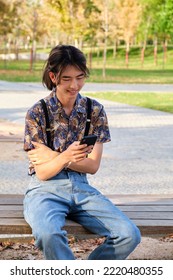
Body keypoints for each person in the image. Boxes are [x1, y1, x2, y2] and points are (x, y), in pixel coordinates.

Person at [23, 44, 141, 260]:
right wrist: (68, 156)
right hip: (45, 191)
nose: (75, 85)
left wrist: (56, 156)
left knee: (129, 234)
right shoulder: (37, 113)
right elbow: (43, 173)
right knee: (48, 234)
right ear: (53, 76)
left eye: (80, 77)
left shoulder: (94, 111)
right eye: (66, 78)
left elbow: (93, 166)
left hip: (81, 188)